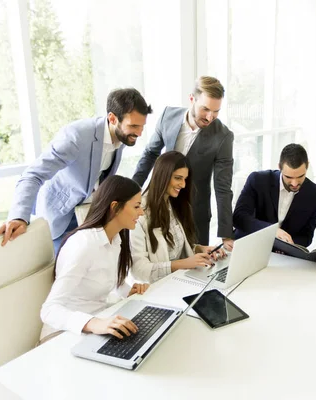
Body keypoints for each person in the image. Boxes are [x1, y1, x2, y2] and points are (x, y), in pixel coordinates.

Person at [0, 89, 152, 252]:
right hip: (59, 216)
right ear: (112, 118)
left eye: (142, 126)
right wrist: (18, 216)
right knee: (62, 272)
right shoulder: (76, 136)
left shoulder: (122, 137)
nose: (139, 133)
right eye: (134, 126)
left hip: (87, 216)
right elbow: (33, 174)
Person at [39, 175, 149, 344]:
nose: (141, 213)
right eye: (136, 206)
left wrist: (127, 291)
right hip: (64, 333)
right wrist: (93, 323)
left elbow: (109, 281)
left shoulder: (115, 239)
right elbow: (49, 311)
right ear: (115, 207)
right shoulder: (83, 245)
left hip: (99, 323)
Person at [132, 76, 234, 250]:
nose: (210, 117)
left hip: (194, 210)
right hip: (160, 203)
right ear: (192, 99)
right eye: (205, 109)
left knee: (197, 264)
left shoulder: (223, 136)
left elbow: (222, 186)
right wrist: (131, 191)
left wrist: (226, 233)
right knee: (160, 259)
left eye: (216, 111)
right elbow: (150, 154)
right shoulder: (167, 116)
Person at [131, 151, 226, 283]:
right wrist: (183, 264)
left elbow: (173, 250)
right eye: (178, 178)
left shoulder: (172, 204)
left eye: (185, 179)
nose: (183, 185)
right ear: (162, 176)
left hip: (180, 280)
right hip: (158, 288)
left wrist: (198, 249)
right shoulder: (139, 213)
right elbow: (138, 270)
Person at [233, 143, 316, 247]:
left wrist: (288, 247)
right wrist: (272, 231)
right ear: (279, 167)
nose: (294, 183)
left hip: (284, 255)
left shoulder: (315, 194)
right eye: (288, 177)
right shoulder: (258, 180)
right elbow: (239, 217)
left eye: (300, 176)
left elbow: (306, 237)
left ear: (307, 166)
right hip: (249, 246)